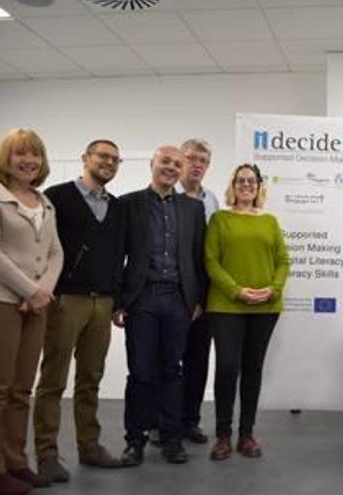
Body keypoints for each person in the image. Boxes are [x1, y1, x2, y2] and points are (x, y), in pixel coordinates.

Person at [0, 128, 63, 495]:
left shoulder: (44, 201)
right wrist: (30, 290)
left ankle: (15, 461)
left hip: (35, 302)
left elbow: (56, 252)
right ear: (5, 160)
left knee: (22, 389)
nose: (29, 161)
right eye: (20, 154)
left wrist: (43, 293)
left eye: (35, 154)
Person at [32, 139, 126, 483]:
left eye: (116, 159)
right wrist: (45, 292)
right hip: (64, 301)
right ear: (85, 158)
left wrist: (116, 300)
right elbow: (40, 248)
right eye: (103, 156)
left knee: (90, 379)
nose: (109, 163)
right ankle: (46, 456)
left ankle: (90, 447)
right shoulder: (56, 198)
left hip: (102, 304)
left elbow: (119, 256)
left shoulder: (116, 207)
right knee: (53, 380)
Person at [115, 145, 207, 466]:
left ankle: (171, 438)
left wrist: (198, 301)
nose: (170, 167)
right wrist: (119, 302)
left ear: (182, 171)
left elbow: (199, 259)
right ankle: (135, 440)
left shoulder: (193, 209)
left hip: (178, 301)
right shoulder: (129, 204)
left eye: (177, 164)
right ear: (152, 164)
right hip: (142, 300)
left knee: (172, 371)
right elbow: (118, 257)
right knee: (140, 371)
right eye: (165, 161)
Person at [205, 164, 289, 461]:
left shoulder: (269, 221)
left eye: (251, 181)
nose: (246, 185)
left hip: (265, 306)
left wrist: (272, 289)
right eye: (240, 180)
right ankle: (223, 436)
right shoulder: (219, 219)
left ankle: (247, 434)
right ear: (233, 185)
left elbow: (283, 261)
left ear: (258, 186)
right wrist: (236, 290)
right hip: (226, 305)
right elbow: (211, 260)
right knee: (228, 367)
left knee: (253, 370)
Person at [176, 138, 220, 445]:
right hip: (170, 291)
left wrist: (202, 298)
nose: (196, 165)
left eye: (202, 160)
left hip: (203, 294)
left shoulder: (211, 200)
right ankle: (160, 422)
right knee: (165, 361)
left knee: (197, 361)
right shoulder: (165, 196)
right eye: (190, 158)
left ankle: (190, 421)